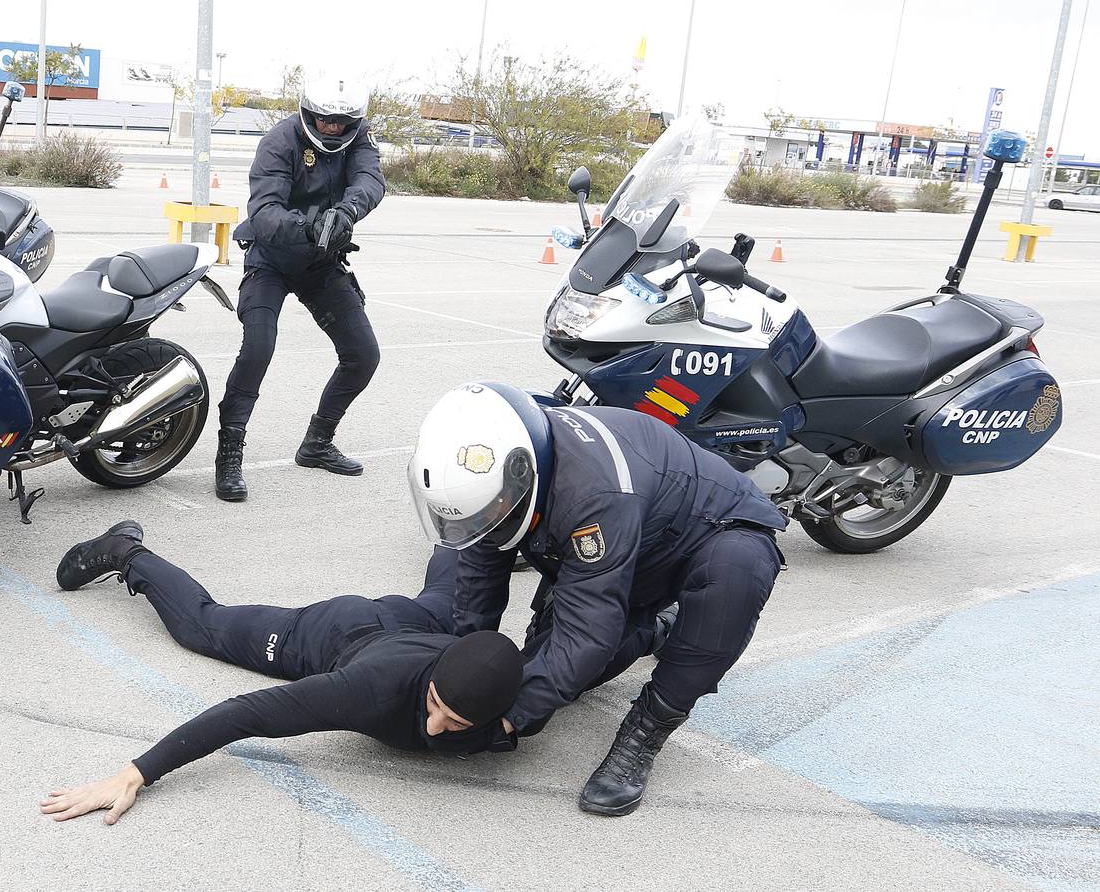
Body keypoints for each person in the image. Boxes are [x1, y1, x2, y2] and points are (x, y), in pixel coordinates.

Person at [42, 521, 677, 824]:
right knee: (202, 627)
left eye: (454, 722)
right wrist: (132, 774)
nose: (432, 727)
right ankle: (128, 552)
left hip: (434, 625)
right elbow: (245, 715)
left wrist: (650, 629)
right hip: (344, 635)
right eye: (434, 705)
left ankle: (472, 540)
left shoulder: (518, 706)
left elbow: (585, 665)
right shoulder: (361, 694)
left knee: (458, 572)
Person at [407, 382, 787, 817]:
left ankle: (646, 729)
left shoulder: (590, 494)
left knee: (735, 572)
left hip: (708, 533)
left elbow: (587, 631)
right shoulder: (487, 467)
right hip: (631, 540)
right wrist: (462, 672)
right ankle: (656, 627)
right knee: (558, 675)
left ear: (522, 474)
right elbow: (478, 575)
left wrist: (507, 719)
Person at [215, 76, 386, 502]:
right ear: (308, 112)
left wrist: (346, 212)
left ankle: (317, 443)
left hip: (322, 263)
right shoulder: (279, 141)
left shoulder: (359, 136)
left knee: (363, 355)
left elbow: (371, 181)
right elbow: (265, 210)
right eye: (323, 119)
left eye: (341, 121)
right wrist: (308, 226)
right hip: (270, 259)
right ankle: (229, 453)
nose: (331, 128)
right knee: (258, 349)